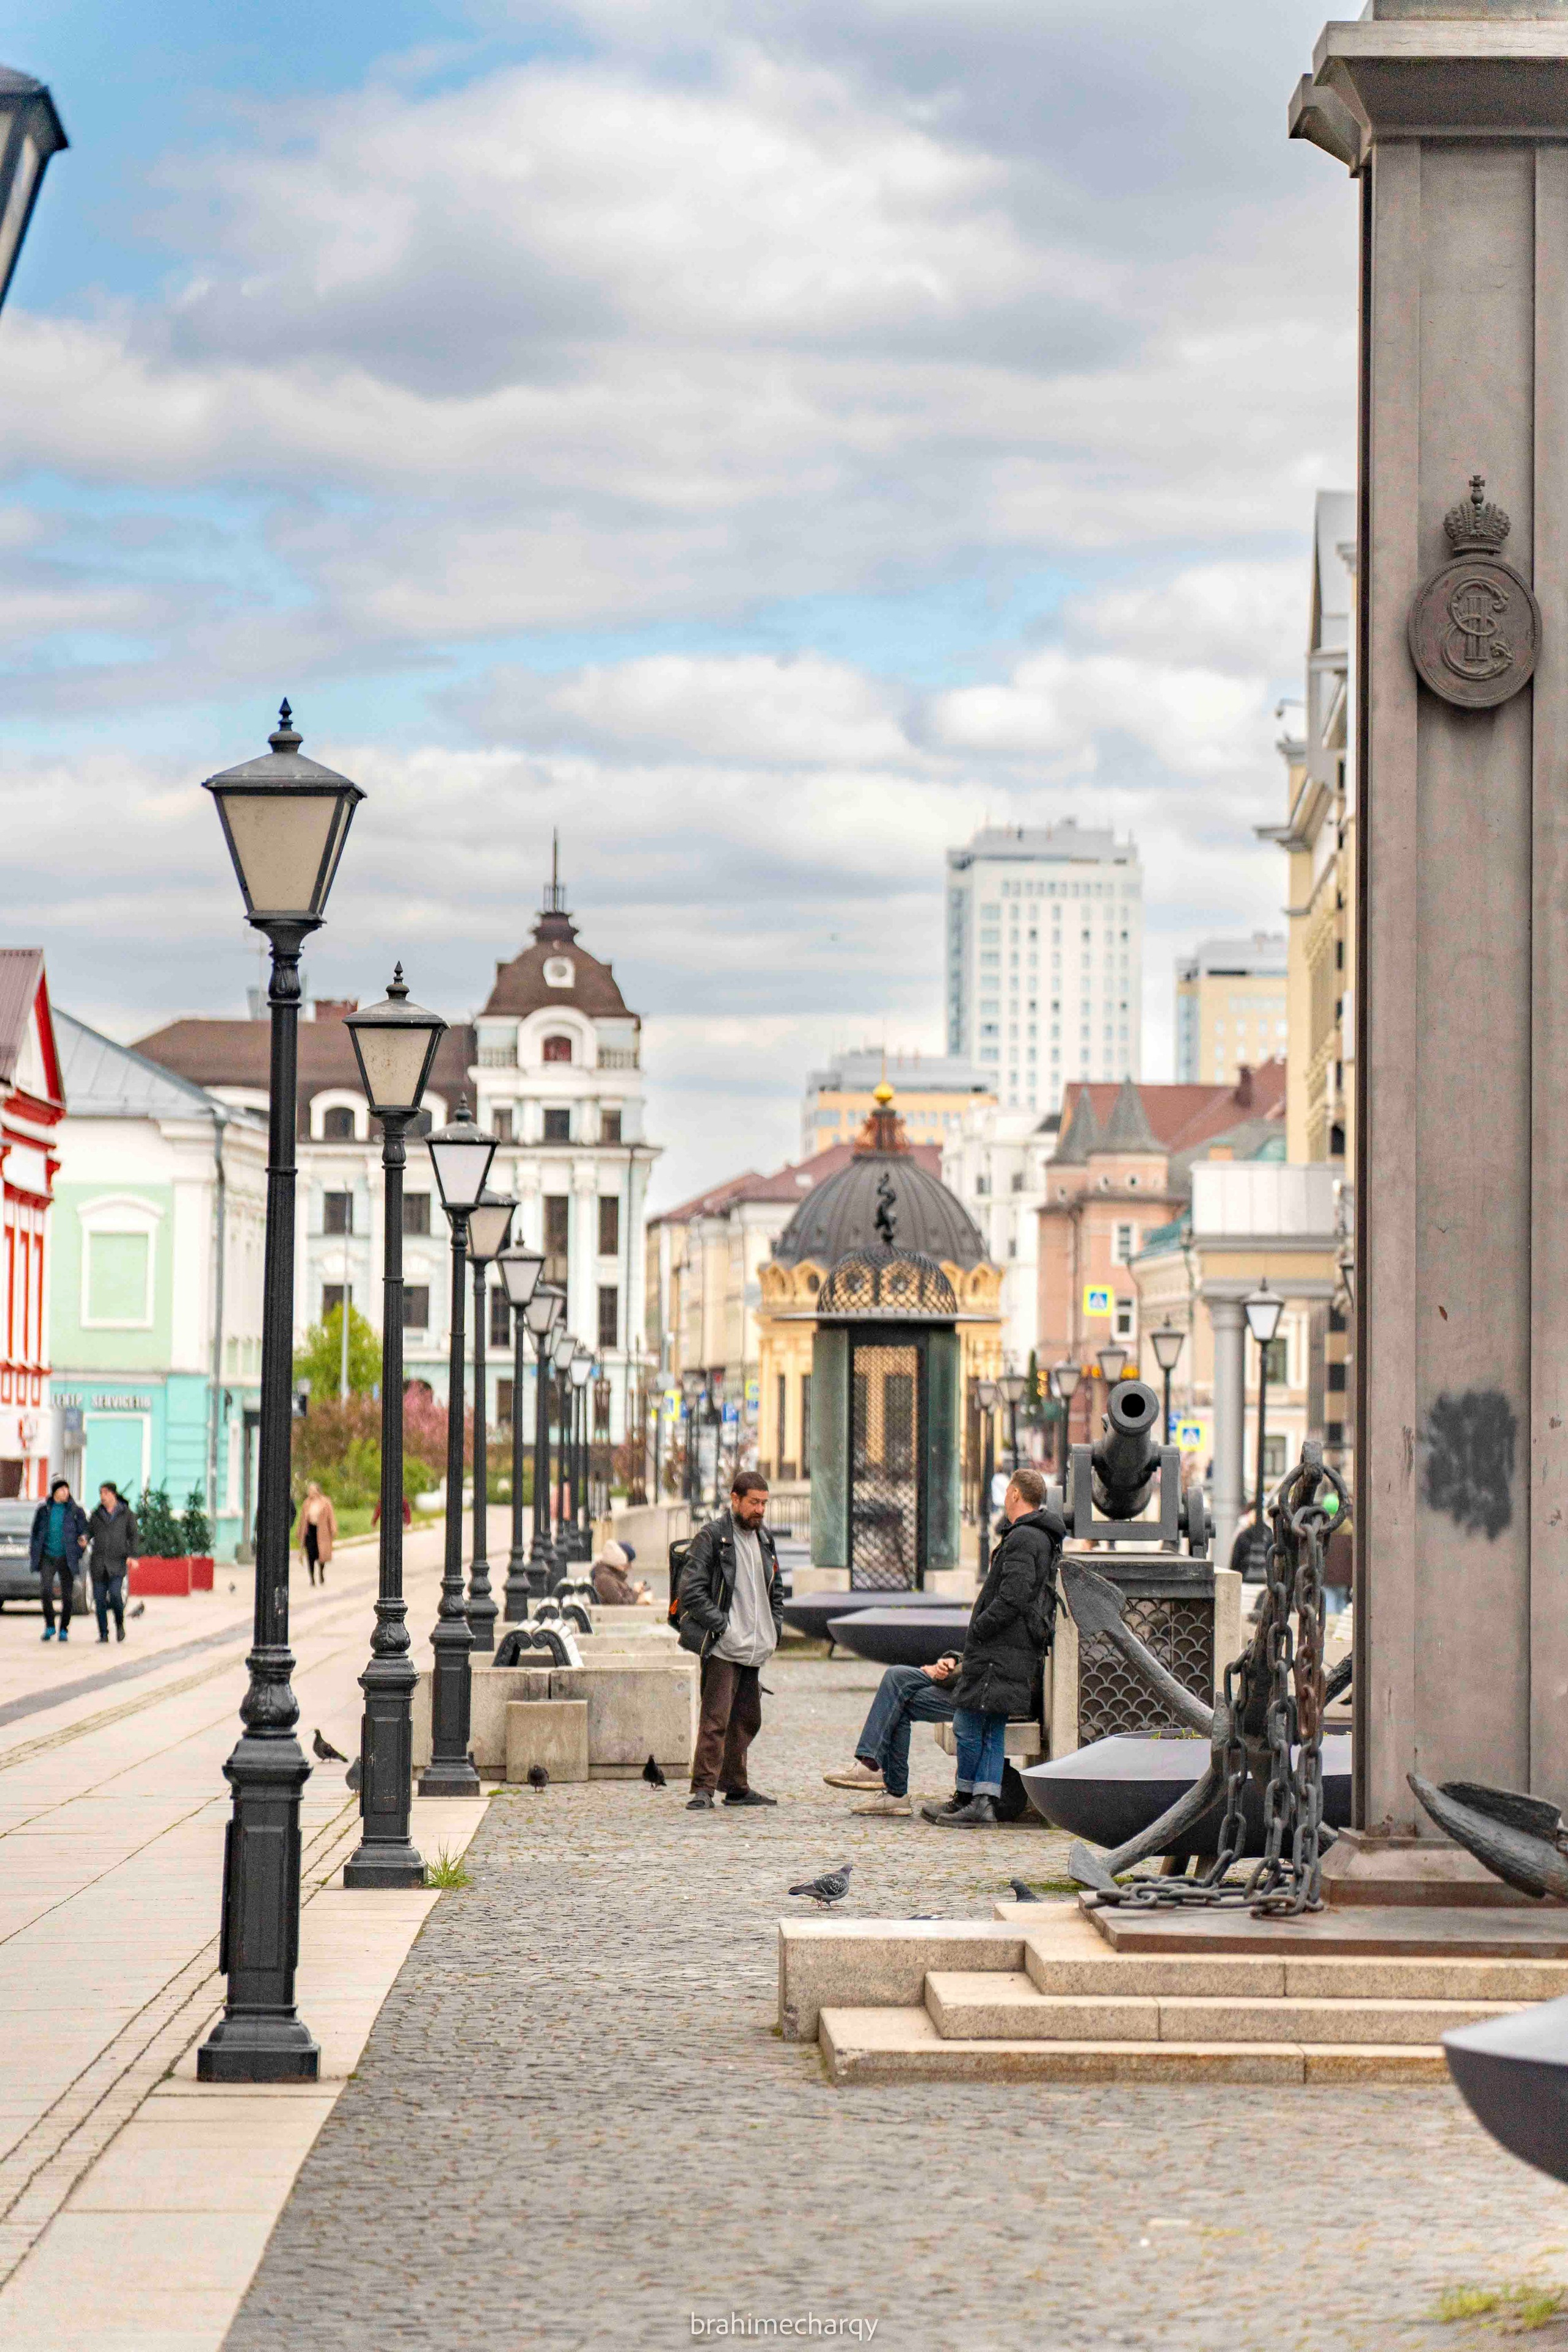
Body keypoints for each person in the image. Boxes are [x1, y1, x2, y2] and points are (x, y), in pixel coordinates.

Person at [920, 1465, 1063, 1828]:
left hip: (1001, 1648)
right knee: (987, 1725)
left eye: (1007, 1492)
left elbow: (1013, 1595)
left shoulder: (1024, 1538)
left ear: (1015, 1494)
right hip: (1013, 1649)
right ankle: (971, 1798)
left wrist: (981, 1628)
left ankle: (976, 1800)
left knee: (969, 1723)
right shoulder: (1037, 1536)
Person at [676, 1468, 783, 1812]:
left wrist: (774, 1628)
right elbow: (690, 1591)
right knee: (716, 1719)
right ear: (734, 1499)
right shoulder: (712, 1537)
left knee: (748, 1718)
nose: (760, 1510)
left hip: (755, 1645)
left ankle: (736, 1786)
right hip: (725, 1645)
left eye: (764, 1503)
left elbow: (775, 1590)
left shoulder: (764, 1539)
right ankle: (703, 1788)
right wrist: (722, 1626)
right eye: (754, 1502)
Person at [824, 1648, 964, 1817]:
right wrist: (953, 1660)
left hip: (983, 1693)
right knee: (896, 1675)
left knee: (899, 1697)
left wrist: (950, 1673)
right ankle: (877, 1768)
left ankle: (883, 1778)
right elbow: (978, 1653)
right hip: (965, 1679)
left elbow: (993, 1660)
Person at [31, 1476, 89, 1643]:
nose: (66, 1492)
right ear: (55, 1492)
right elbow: (36, 1533)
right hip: (48, 1556)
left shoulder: (75, 1511)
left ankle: (64, 1628)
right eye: (62, 1489)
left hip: (67, 1557)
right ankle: (50, 1625)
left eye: (67, 1489)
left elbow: (84, 1530)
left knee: (68, 1596)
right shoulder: (44, 1510)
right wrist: (35, 1552)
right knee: (46, 1591)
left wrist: (82, 1543)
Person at [86, 1482, 138, 1643]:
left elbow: (134, 1536)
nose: (102, 1496)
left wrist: (133, 1556)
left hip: (117, 1562)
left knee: (116, 1595)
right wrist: (84, 1538)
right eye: (101, 1493)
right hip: (99, 1563)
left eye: (106, 1493)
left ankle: (120, 1625)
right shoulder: (97, 1515)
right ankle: (103, 1633)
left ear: (113, 1495)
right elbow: (89, 1532)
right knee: (99, 1600)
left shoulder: (126, 1514)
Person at [294, 1483, 337, 1586]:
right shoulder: (307, 1503)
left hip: (322, 1531)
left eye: (313, 1490)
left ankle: (321, 1573)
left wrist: (333, 1529)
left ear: (318, 1491)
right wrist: (300, 1532)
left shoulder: (325, 1502)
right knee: (310, 1555)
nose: (311, 1492)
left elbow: (331, 1517)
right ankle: (312, 1578)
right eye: (309, 1490)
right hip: (310, 1531)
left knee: (321, 1555)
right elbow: (302, 1519)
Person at [591, 1538, 650, 1607]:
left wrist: (636, 1591)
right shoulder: (606, 1579)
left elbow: (623, 1595)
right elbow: (620, 1603)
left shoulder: (613, 1576)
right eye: (627, 1563)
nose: (629, 1567)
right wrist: (636, 1592)